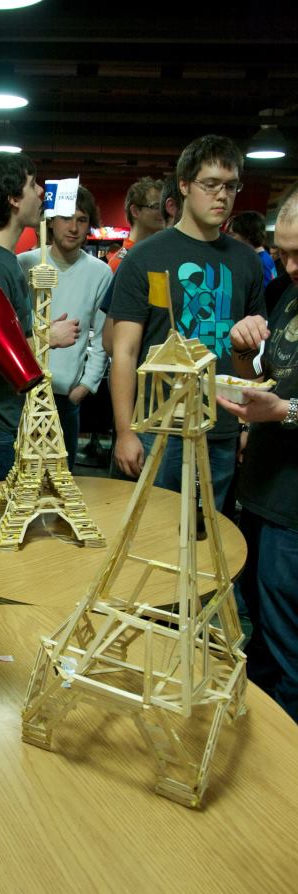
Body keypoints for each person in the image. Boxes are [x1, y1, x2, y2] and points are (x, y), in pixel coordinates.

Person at [109, 134, 266, 511]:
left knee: (207, 532)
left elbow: (253, 356)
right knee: (150, 530)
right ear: (183, 185)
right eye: (210, 184)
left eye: (231, 186)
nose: (222, 196)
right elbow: (124, 350)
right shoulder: (145, 257)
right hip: (157, 427)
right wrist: (125, 431)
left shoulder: (246, 261)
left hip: (221, 429)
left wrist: (248, 424)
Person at [216, 185, 298, 722]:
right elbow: (267, 377)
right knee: (263, 643)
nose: (290, 266)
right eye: (283, 252)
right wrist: (244, 353)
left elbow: (282, 402)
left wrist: (285, 412)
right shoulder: (285, 293)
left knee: (290, 656)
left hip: (293, 514)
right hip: (263, 495)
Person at [0, 152, 77, 488]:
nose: (41, 192)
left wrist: (41, 332)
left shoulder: (2, 260)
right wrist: (49, 338)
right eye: (32, 184)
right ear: (13, 199)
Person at [18, 185, 112, 469]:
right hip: (23, 393)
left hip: (66, 399)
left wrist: (85, 386)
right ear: (50, 221)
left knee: (60, 479)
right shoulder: (25, 263)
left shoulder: (100, 272)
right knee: (23, 475)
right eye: (66, 218)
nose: (73, 227)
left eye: (82, 220)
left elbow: (103, 337)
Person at [107, 176, 164, 273]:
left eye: (163, 207)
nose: (162, 212)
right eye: (155, 206)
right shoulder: (119, 264)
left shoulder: (160, 254)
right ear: (135, 211)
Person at [228, 210, 277, 287]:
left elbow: (267, 292)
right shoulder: (263, 257)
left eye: (233, 235)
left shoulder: (259, 262)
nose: (229, 239)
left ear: (247, 235)